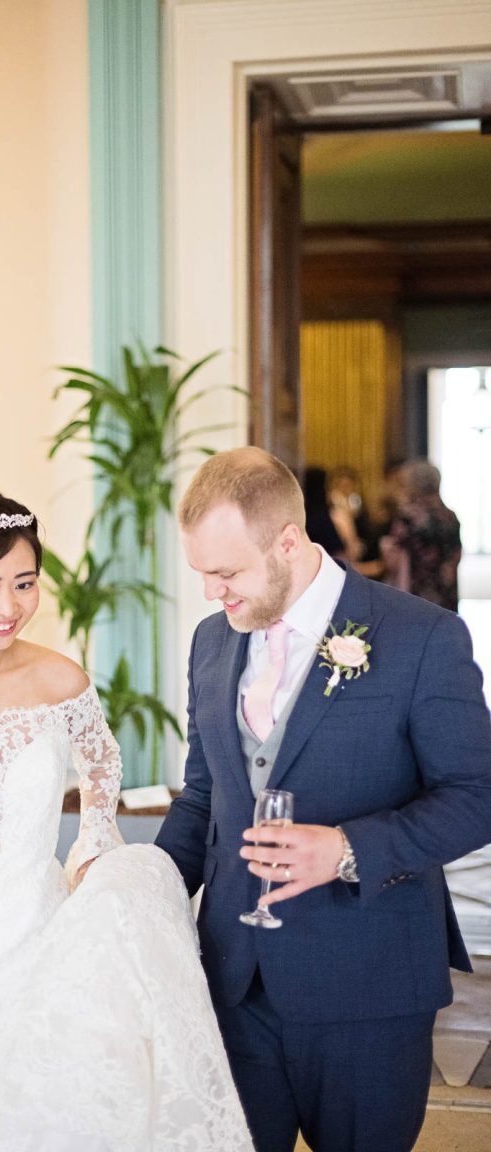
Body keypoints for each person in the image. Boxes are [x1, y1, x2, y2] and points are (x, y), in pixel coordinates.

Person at [0, 487, 253, 1152]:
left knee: (40, 1118)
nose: (9, 607)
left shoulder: (63, 683)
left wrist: (93, 848)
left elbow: (101, 777)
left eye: (25, 583)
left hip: (42, 934)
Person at [156, 447, 491, 1152]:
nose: (214, 593)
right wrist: (140, 889)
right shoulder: (212, 642)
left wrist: (346, 849)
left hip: (368, 986)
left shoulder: (422, 637)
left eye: (228, 573)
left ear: (287, 541)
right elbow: (204, 796)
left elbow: (476, 794)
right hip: (234, 983)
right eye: (203, 575)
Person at [381, 457, 462, 612]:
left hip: (415, 592)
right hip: (445, 591)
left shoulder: (408, 516)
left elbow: (393, 559)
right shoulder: (450, 516)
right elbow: (456, 555)